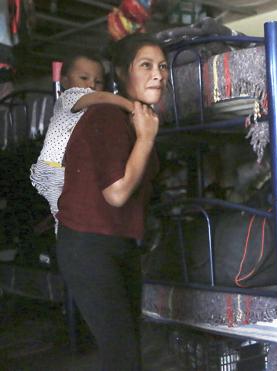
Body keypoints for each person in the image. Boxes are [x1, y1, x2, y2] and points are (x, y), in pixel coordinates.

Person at [55, 33, 167, 370]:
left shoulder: (136, 119)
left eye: (162, 66)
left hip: (118, 243)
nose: (159, 74)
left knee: (127, 351)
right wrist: (147, 139)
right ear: (121, 72)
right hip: (89, 245)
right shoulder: (106, 115)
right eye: (146, 65)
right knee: (124, 356)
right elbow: (116, 193)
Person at [30, 53, 134, 232]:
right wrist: (133, 107)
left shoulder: (94, 114)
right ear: (64, 81)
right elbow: (100, 97)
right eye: (84, 78)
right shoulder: (67, 99)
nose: (91, 85)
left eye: (98, 81)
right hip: (52, 170)